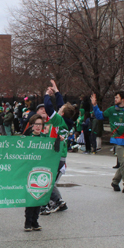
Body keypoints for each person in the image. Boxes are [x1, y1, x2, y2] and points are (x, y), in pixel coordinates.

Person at [38, 81, 74, 214]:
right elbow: (61, 105)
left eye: (61, 110)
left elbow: (48, 107)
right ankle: (58, 202)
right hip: (61, 155)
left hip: (56, 155)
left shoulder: (59, 120)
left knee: (47, 180)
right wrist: (57, 92)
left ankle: (45, 205)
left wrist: (47, 95)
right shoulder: (67, 121)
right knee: (50, 181)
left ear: (62, 113)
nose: (59, 108)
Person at [92, 91, 124, 193]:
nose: (115, 99)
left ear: (123, 99)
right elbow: (100, 116)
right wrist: (95, 105)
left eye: (117, 97)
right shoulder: (112, 110)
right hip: (118, 140)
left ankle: (115, 181)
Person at [23, 114, 46, 231]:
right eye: (36, 124)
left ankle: (35, 221)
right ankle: (28, 221)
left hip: (41, 170)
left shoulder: (45, 138)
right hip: (30, 170)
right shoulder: (27, 137)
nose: (38, 127)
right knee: (31, 196)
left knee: (39, 196)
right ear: (32, 125)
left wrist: (59, 140)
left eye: (40, 124)